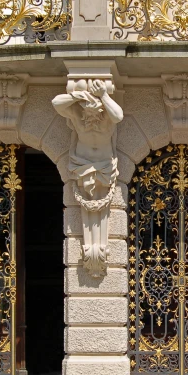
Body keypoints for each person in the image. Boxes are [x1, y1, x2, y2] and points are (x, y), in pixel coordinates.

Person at [52, 79, 124, 277]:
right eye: (87, 107)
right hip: (83, 165)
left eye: (95, 107)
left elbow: (118, 115)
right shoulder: (77, 115)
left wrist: (104, 95)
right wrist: (77, 96)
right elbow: (56, 103)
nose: (91, 112)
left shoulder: (108, 117)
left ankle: (98, 250)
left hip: (104, 166)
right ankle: (92, 251)